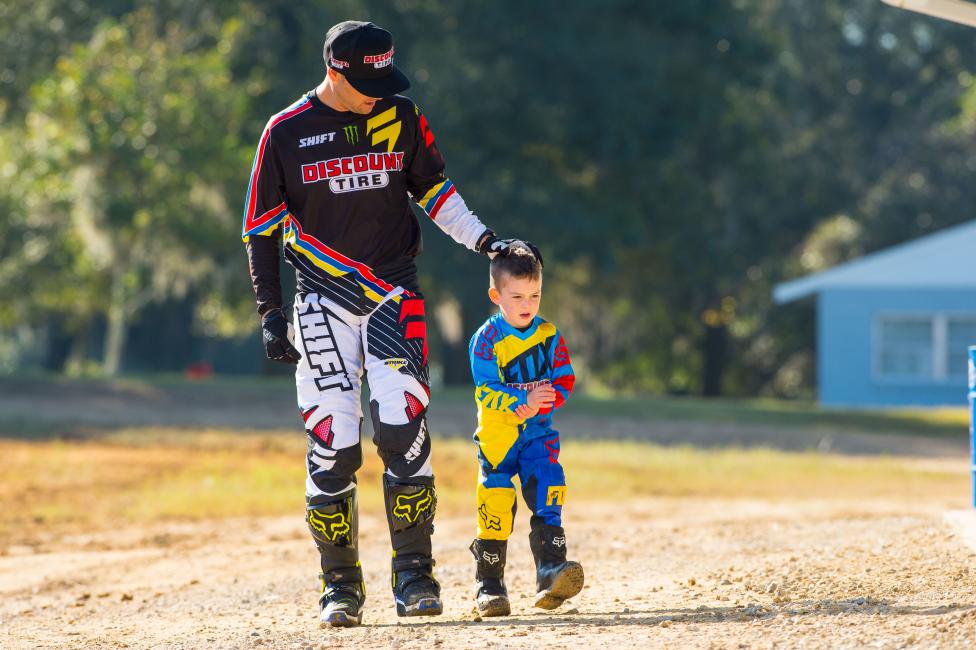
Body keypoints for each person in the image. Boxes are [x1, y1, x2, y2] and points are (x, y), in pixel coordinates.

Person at [241, 20, 539, 627]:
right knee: (333, 446)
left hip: (392, 294)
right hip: (321, 301)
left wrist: (485, 241)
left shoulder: (400, 116)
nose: (380, 90)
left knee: (405, 431)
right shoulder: (284, 132)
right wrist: (271, 314)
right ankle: (340, 588)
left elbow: (433, 190)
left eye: (386, 77)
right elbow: (260, 232)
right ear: (335, 71)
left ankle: (414, 576)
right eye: (368, 80)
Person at [466, 248, 583, 616]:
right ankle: (490, 584)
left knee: (550, 485)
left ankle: (550, 570)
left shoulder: (548, 334)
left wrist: (545, 401)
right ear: (496, 296)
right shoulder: (485, 339)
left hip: (537, 434)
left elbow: (564, 378)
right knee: (496, 503)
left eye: (534, 295)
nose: (527, 304)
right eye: (517, 296)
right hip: (499, 438)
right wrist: (521, 399)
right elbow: (485, 389)